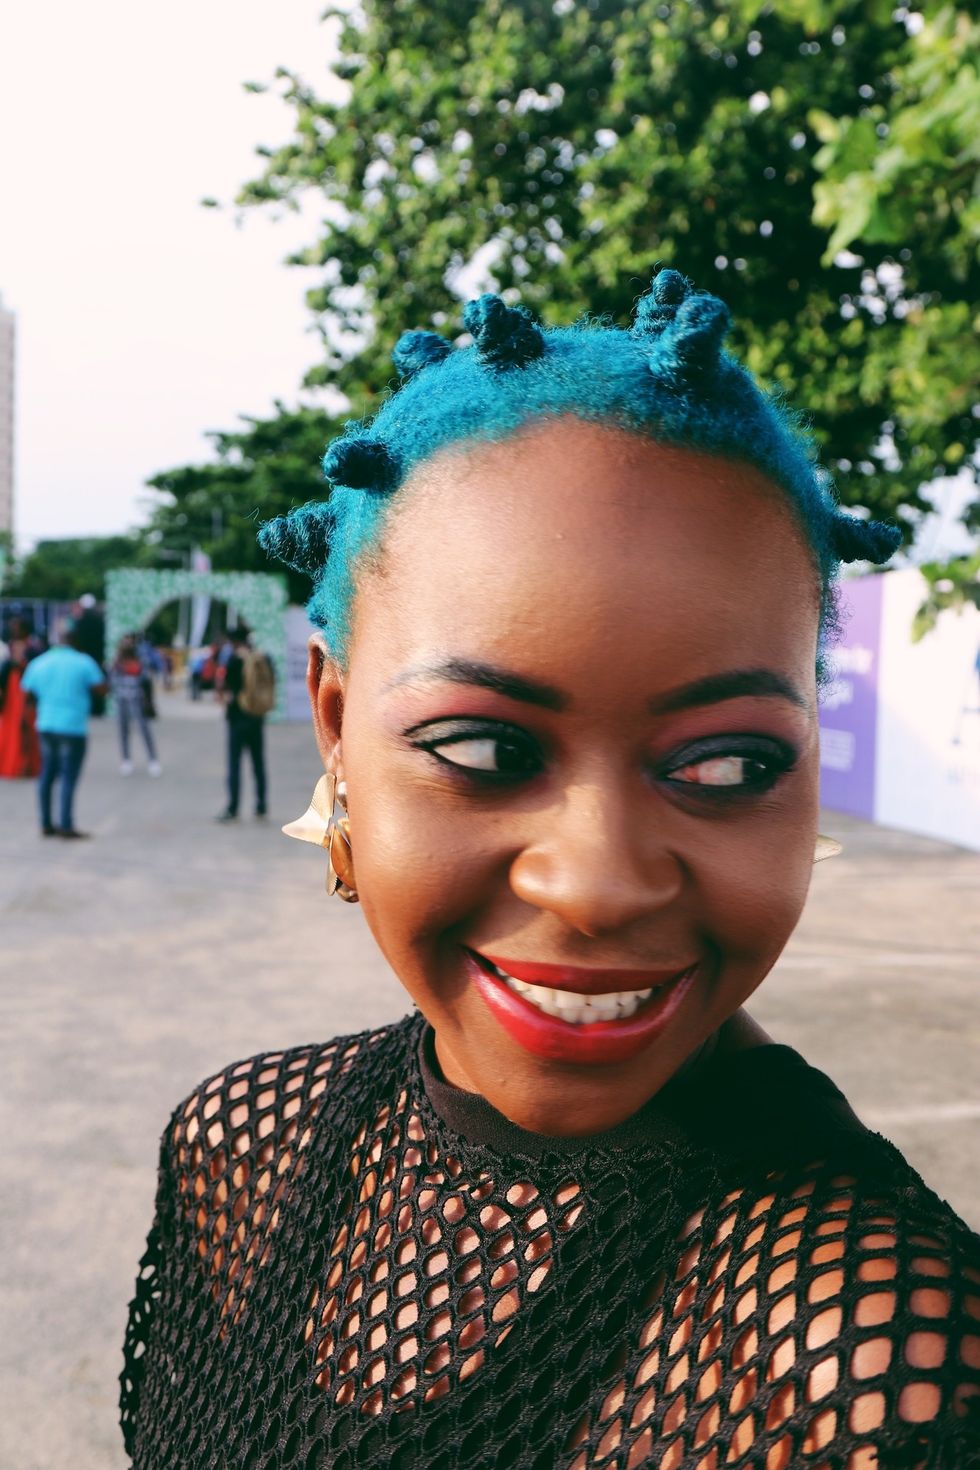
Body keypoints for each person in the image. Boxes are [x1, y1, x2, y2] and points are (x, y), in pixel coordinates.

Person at [121, 274, 980, 1468]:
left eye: (726, 764)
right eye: (481, 748)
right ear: (334, 724)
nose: (597, 883)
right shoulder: (236, 1153)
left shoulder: (867, 1373)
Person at [21, 622, 106, 838]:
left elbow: (28, 694)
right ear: (75, 639)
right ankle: (66, 825)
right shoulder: (83, 662)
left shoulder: (39, 663)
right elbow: (101, 688)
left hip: (46, 725)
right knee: (68, 777)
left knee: (47, 775)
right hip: (72, 727)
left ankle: (46, 823)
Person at [217, 628, 274, 821]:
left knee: (235, 764)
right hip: (256, 718)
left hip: (237, 718)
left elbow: (227, 685)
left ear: (234, 642)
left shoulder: (234, 660)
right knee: (258, 763)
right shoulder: (262, 659)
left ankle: (233, 808)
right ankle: (261, 805)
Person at [111, 633, 162, 777]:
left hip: (137, 699)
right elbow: (112, 679)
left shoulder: (141, 659)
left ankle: (152, 759)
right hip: (122, 699)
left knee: (144, 729)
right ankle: (126, 759)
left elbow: (145, 677)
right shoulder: (117, 661)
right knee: (123, 729)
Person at [0, 617, 42, 779]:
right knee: (12, 731)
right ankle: (15, 764)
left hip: (23, 695)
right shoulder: (8, 649)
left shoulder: (33, 648)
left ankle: (26, 765)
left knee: (26, 729)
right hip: (12, 697)